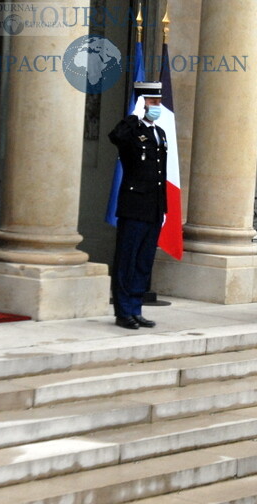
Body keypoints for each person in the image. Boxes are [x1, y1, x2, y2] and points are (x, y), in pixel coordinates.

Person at [108, 81, 167, 330]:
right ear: (141, 104)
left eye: (158, 102)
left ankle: (136, 307)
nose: (157, 107)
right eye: (152, 102)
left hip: (153, 206)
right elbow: (115, 137)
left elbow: (160, 172)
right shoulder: (131, 131)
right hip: (134, 206)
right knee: (127, 260)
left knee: (144, 261)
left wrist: (163, 208)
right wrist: (133, 116)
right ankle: (123, 311)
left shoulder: (160, 133)